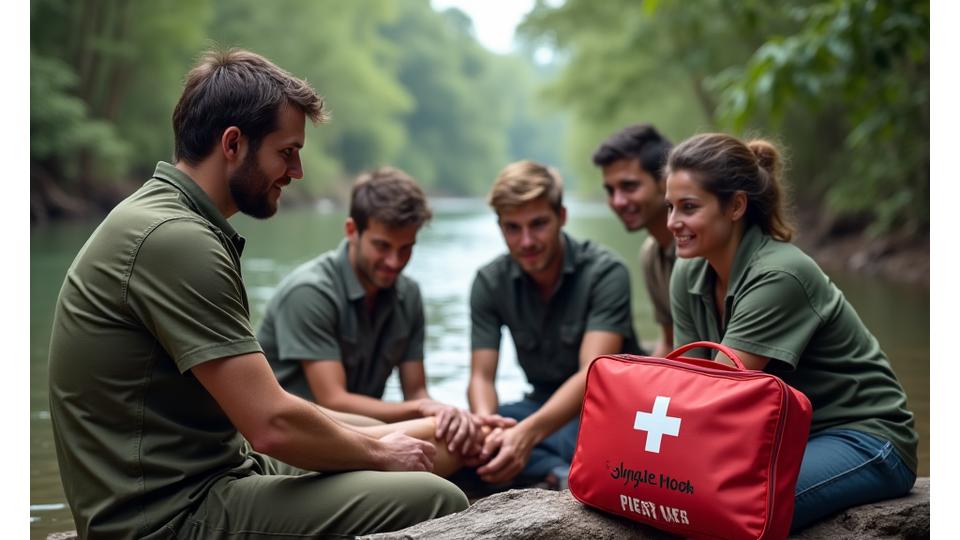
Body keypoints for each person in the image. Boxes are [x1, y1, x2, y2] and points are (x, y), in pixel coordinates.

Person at [47, 48, 467, 540]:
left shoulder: (171, 220)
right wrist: (382, 452)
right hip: (164, 518)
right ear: (233, 143)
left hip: (218, 471)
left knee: (436, 445)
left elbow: (260, 418)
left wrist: (396, 437)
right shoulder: (175, 239)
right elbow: (271, 423)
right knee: (436, 496)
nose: (297, 172)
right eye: (286, 152)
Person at [663, 133, 918, 532]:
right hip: (783, 442)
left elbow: (715, 398)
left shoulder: (780, 274)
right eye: (670, 207)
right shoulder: (688, 270)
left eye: (689, 208)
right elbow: (684, 386)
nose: (672, 223)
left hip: (864, 439)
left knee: (726, 509)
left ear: (735, 206)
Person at [259, 166, 506, 458]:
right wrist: (423, 412)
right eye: (382, 246)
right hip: (302, 439)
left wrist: (448, 415)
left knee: (472, 437)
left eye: (406, 249)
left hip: (365, 432)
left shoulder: (408, 295)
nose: (394, 261)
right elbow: (334, 399)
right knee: (456, 448)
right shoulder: (310, 293)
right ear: (352, 231)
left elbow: (416, 392)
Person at [467, 160, 642, 487]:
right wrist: (486, 427)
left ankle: (549, 466)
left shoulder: (606, 272)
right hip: (538, 405)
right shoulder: (489, 282)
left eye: (538, 224)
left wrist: (527, 435)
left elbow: (591, 373)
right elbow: (481, 376)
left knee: (602, 442)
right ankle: (557, 470)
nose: (527, 241)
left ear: (562, 216)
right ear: (500, 227)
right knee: (462, 439)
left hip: (604, 408)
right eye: (512, 228)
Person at [593, 124, 676, 356]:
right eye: (610, 190)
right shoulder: (651, 254)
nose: (618, 201)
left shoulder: (705, 246)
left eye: (629, 186)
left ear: (665, 182)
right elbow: (670, 344)